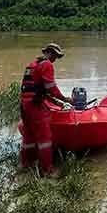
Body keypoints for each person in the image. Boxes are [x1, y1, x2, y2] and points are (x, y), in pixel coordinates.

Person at [19, 42, 70, 175]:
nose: (55, 59)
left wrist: (58, 103)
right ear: (48, 52)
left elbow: (37, 90)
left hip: (24, 104)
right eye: (54, 55)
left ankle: (26, 164)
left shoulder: (32, 65)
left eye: (57, 57)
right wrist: (65, 99)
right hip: (34, 105)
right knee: (45, 138)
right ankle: (47, 170)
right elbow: (51, 88)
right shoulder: (47, 64)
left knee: (29, 135)